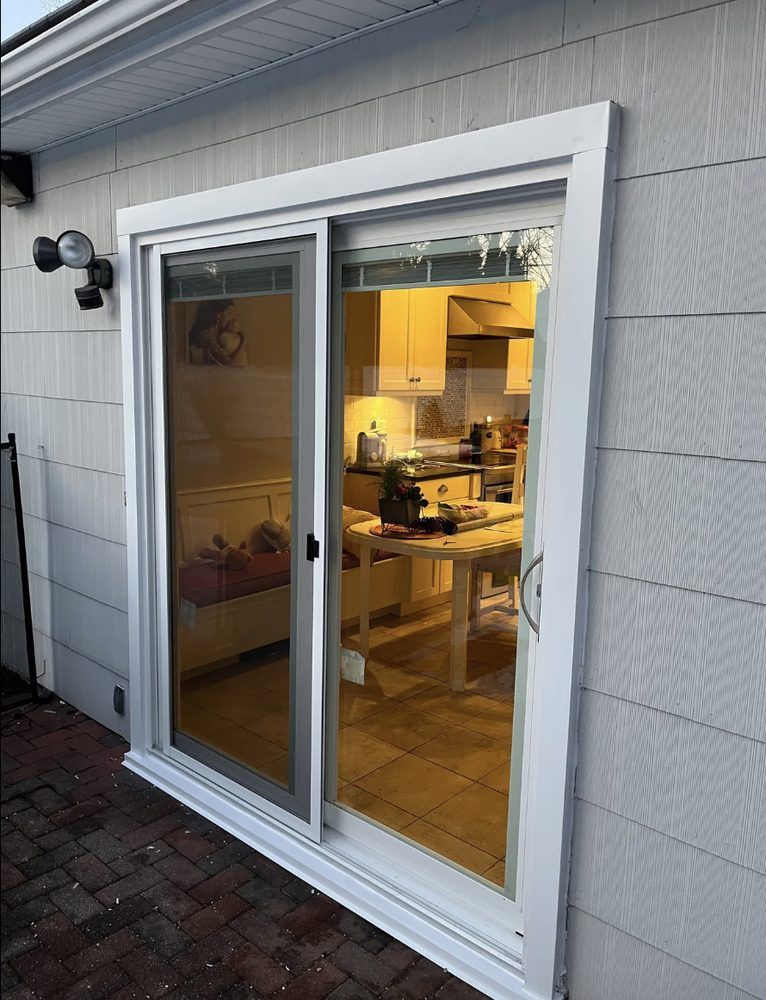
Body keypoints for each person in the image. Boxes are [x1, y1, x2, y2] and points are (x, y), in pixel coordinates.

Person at [188, 299, 248, 366]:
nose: (230, 319)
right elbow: (231, 363)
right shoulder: (208, 332)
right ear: (219, 313)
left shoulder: (213, 324)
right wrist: (243, 341)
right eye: (228, 314)